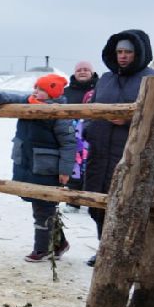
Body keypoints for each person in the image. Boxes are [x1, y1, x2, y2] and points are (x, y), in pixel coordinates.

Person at [0, 75, 74, 262]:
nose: (36, 91)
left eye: (41, 89)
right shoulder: (27, 102)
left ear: (52, 93)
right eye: (36, 88)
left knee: (43, 207)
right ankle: (59, 243)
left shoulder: (59, 114)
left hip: (46, 168)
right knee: (43, 207)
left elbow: (69, 143)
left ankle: (42, 248)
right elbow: (3, 96)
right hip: (28, 163)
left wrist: (65, 170)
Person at [82, 29, 154, 266]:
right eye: (119, 52)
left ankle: (128, 254)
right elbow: (91, 107)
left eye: (128, 52)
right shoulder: (105, 78)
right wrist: (89, 129)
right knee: (98, 204)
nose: (123, 56)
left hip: (131, 152)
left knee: (128, 204)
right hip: (100, 149)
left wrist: (130, 120)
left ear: (139, 53)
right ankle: (104, 248)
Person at [63, 61, 98, 207]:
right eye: (79, 70)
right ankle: (73, 201)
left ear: (92, 72)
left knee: (93, 166)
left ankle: (92, 201)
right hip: (72, 135)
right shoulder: (66, 91)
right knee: (74, 166)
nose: (82, 72)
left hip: (94, 134)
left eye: (86, 70)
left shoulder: (101, 88)